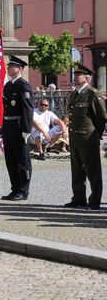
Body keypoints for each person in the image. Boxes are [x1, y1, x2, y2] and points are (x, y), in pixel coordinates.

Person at [64, 65, 107, 210]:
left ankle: (94, 201)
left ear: (87, 77)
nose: (76, 77)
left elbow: (102, 117)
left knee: (92, 171)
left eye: (79, 75)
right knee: (77, 171)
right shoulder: (74, 94)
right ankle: (78, 198)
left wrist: (96, 135)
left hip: (88, 138)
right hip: (75, 137)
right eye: (75, 74)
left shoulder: (93, 94)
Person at [2, 56, 34, 201]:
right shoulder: (8, 86)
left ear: (19, 69)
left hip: (19, 127)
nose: (8, 68)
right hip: (8, 127)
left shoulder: (23, 86)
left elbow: (28, 110)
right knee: (11, 160)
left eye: (11, 66)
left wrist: (27, 130)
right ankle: (15, 188)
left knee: (22, 160)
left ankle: (23, 190)